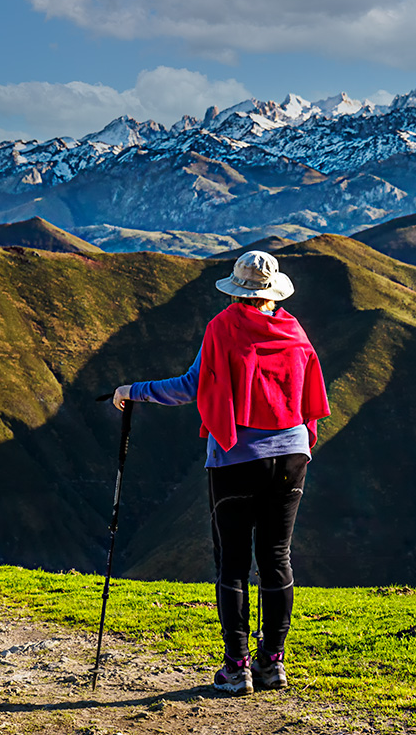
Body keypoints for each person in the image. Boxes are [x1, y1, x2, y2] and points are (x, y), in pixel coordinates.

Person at [112, 250, 330, 696]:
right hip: (291, 458)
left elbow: (190, 388)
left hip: (236, 459)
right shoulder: (295, 331)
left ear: (237, 289)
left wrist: (133, 391)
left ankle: (237, 669)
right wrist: (298, 445)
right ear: (273, 293)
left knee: (232, 563)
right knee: (276, 558)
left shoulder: (223, 328)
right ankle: (273, 665)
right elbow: (309, 396)